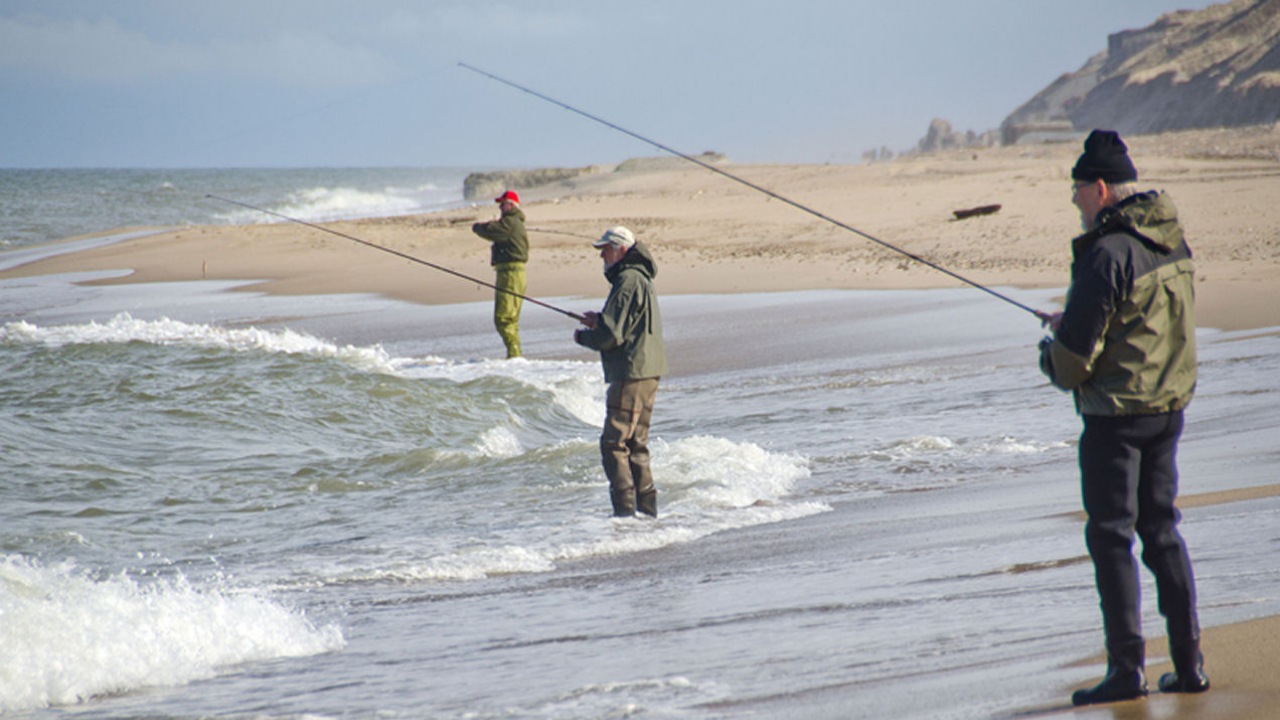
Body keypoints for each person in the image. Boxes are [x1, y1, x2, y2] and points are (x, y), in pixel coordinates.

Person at [1039, 129, 1209, 706]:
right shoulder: (1170, 240)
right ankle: (1189, 667)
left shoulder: (1107, 252)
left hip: (1117, 417)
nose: (1075, 201)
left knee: (1111, 537)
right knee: (1161, 532)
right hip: (1168, 408)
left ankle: (1126, 670)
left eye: (1079, 189)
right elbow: (1147, 323)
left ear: (1102, 188)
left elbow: (1070, 365)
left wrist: (1051, 344)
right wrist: (1077, 321)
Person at [573, 226, 668, 518]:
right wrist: (599, 319)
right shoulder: (639, 277)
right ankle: (647, 515)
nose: (602, 255)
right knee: (636, 444)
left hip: (631, 371)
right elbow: (627, 322)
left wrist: (583, 337)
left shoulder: (626, 280)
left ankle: (625, 516)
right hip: (648, 370)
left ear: (621, 250)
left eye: (606, 249)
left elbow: (612, 335)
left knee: (614, 443)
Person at [472, 189, 529, 358]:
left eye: (502, 204)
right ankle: (514, 355)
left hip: (511, 274)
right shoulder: (513, 222)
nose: (500, 208)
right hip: (512, 273)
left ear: (511, 205)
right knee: (510, 319)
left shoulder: (510, 222)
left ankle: (515, 355)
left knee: (504, 319)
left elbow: (491, 231)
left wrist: (476, 227)